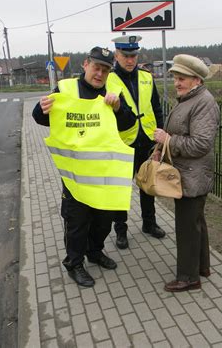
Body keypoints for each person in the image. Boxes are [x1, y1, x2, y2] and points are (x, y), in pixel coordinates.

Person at [32, 46, 137, 287]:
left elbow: (129, 123)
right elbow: (41, 117)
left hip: (105, 175)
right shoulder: (67, 89)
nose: (100, 74)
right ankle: (74, 263)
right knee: (77, 224)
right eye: (96, 67)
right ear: (86, 65)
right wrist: (41, 108)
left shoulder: (113, 92)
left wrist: (119, 107)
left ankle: (95, 251)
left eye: (105, 70)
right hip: (75, 177)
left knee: (103, 221)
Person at [153, 54, 219, 292]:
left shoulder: (204, 102)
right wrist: (161, 148)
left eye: (182, 78)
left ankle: (189, 278)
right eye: (176, 78)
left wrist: (168, 139)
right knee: (196, 221)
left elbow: (201, 144)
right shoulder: (189, 98)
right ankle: (202, 267)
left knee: (187, 226)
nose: (177, 83)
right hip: (189, 174)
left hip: (194, 175)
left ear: (197, 80)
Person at [107, 34, 165, 250]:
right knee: (121, 190)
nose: (130, 60)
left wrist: (159, 136)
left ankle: (149, 224)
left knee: (147, 186)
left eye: (133, 55)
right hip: (123, 142)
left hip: (147, 140)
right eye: (125, 55)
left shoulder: (146, 77)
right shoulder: (109, 80)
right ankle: (120, 231)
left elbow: (156, 108)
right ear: (116, 55)